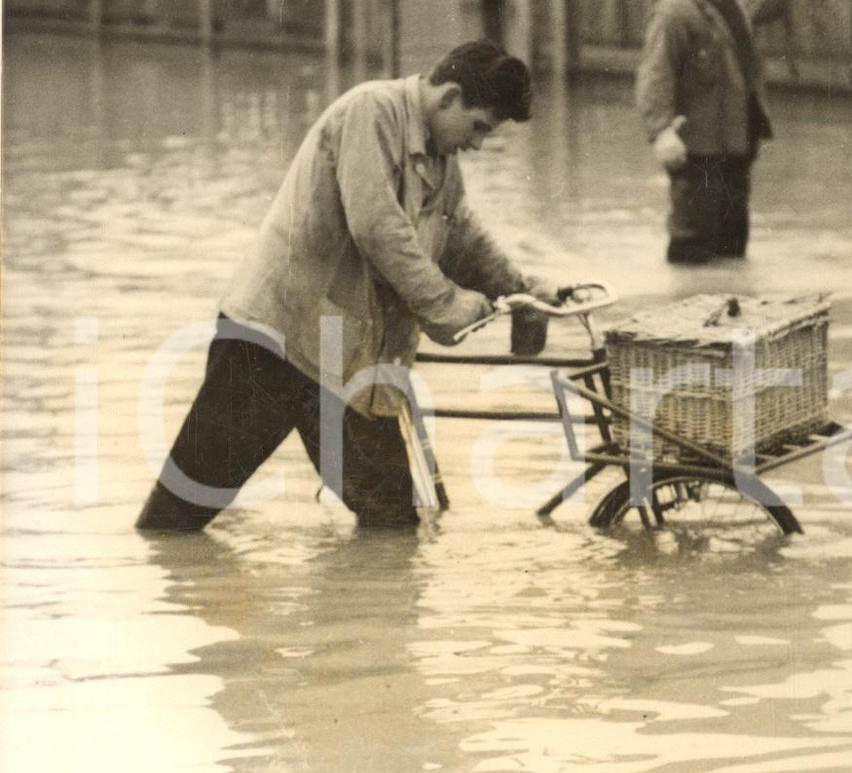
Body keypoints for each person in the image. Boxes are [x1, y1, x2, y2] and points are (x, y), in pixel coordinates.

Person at [136, 41, 558, 532]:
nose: (478, 143)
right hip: (275, 338)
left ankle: (352, 608)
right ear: (449, 97)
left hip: (343, 355)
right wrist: (446, 305)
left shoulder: (439, 156)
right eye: (479, 126)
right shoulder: (371, 112)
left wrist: (520, 288)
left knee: (392, 525)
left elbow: (459, 231)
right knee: (179, 515)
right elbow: (378, 227)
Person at [636, 0, 812, 264]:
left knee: (733, 246)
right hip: (697, 148)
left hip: (736, 141)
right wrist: (661, 132)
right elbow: (655, 73)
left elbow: (757, 0)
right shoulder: (676, 9)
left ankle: (732, 308)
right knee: (692, 247)